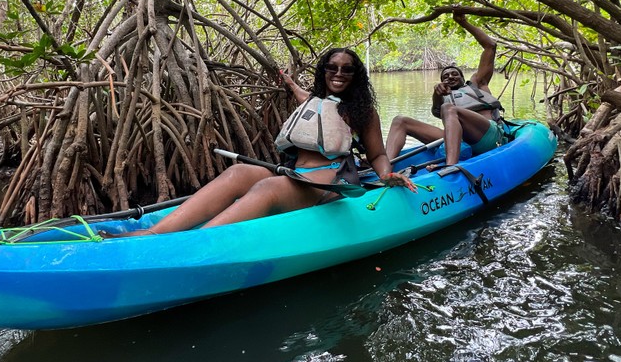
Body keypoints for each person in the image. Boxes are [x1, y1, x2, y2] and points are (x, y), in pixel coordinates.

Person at [129, 48, 415, 236]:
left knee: (268, 186)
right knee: (238, 172)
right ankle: (152, 234)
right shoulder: (313, 100)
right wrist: (289, 83)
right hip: (297, 174)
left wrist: (386, 174)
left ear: (356, 75)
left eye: (347, 69)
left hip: (329, 182)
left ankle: (196, 241)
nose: (338, 73)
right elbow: (301, 94)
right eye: (332, 67)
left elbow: (377, 154)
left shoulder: (363, 112)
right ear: (323, 70)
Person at [385, 10, 505, 167]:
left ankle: (450, 167)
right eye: (445, 76)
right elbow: (437, 110)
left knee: (449, 108)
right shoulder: (442, 96)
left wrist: (463, 22)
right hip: (459, 142)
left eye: (455, 74)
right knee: (400, 120)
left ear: (463, 78)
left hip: (487, 136)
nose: (450, 77)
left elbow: (490, 46)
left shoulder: (477, 83)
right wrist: (436, 94)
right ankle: (385, 167)